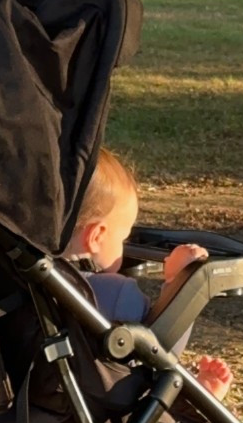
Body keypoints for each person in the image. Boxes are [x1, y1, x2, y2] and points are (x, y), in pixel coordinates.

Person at [63, 148, 232, 398]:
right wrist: (178, 282)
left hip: (31, 414)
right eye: (123, 237)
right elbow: (160, 351)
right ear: (96, 236)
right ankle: (194, 400)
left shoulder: (10, 280)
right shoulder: (114, 294)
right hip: (107, 415)